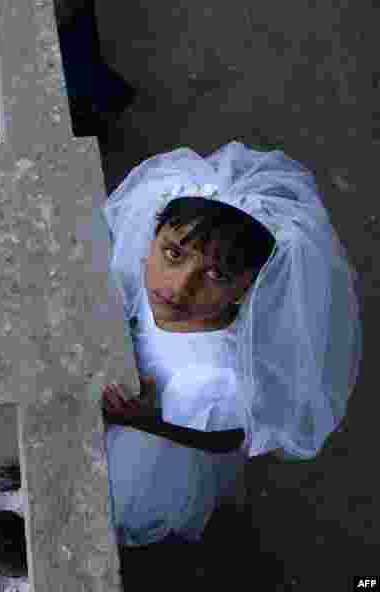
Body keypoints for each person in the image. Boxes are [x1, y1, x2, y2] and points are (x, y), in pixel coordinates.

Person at [100, 142, 361, 583]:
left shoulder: (222, 376)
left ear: (247, 287)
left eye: (217, 276)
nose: (180, 287)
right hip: (134, 416)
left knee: (116, 510)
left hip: (157, 455)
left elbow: (224, 441)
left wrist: (148, 421)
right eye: (174, 254)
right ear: (153, 237)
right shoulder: (154, 292)